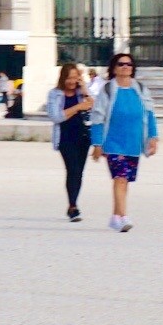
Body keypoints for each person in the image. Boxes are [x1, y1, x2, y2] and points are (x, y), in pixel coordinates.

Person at [90, 53, 158, 232]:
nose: (125, 67)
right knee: (120, 179)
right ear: (114, 68)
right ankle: (123, 216)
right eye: (121, 64)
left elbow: (150, 114)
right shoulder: (107, 90)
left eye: (128, 64)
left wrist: (153, 137)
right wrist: (97, 144)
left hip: (134, 142)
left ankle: (115, 217)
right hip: (113, 142)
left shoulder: (141, 89)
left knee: (125, 180)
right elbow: (97, 117)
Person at [46, 63, 94, 221]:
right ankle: (73, 206)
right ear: (63, 78)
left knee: (79, 172)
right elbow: (56, 116)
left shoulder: (81, 93)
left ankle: (73, 203)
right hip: (65, 138)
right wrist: (79, 107)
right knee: (72, 169)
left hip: (83, 137)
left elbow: (93, 107)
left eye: (75, 77)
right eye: (69, 77)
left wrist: (84, 88)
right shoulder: (55, 94)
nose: (72, 81)